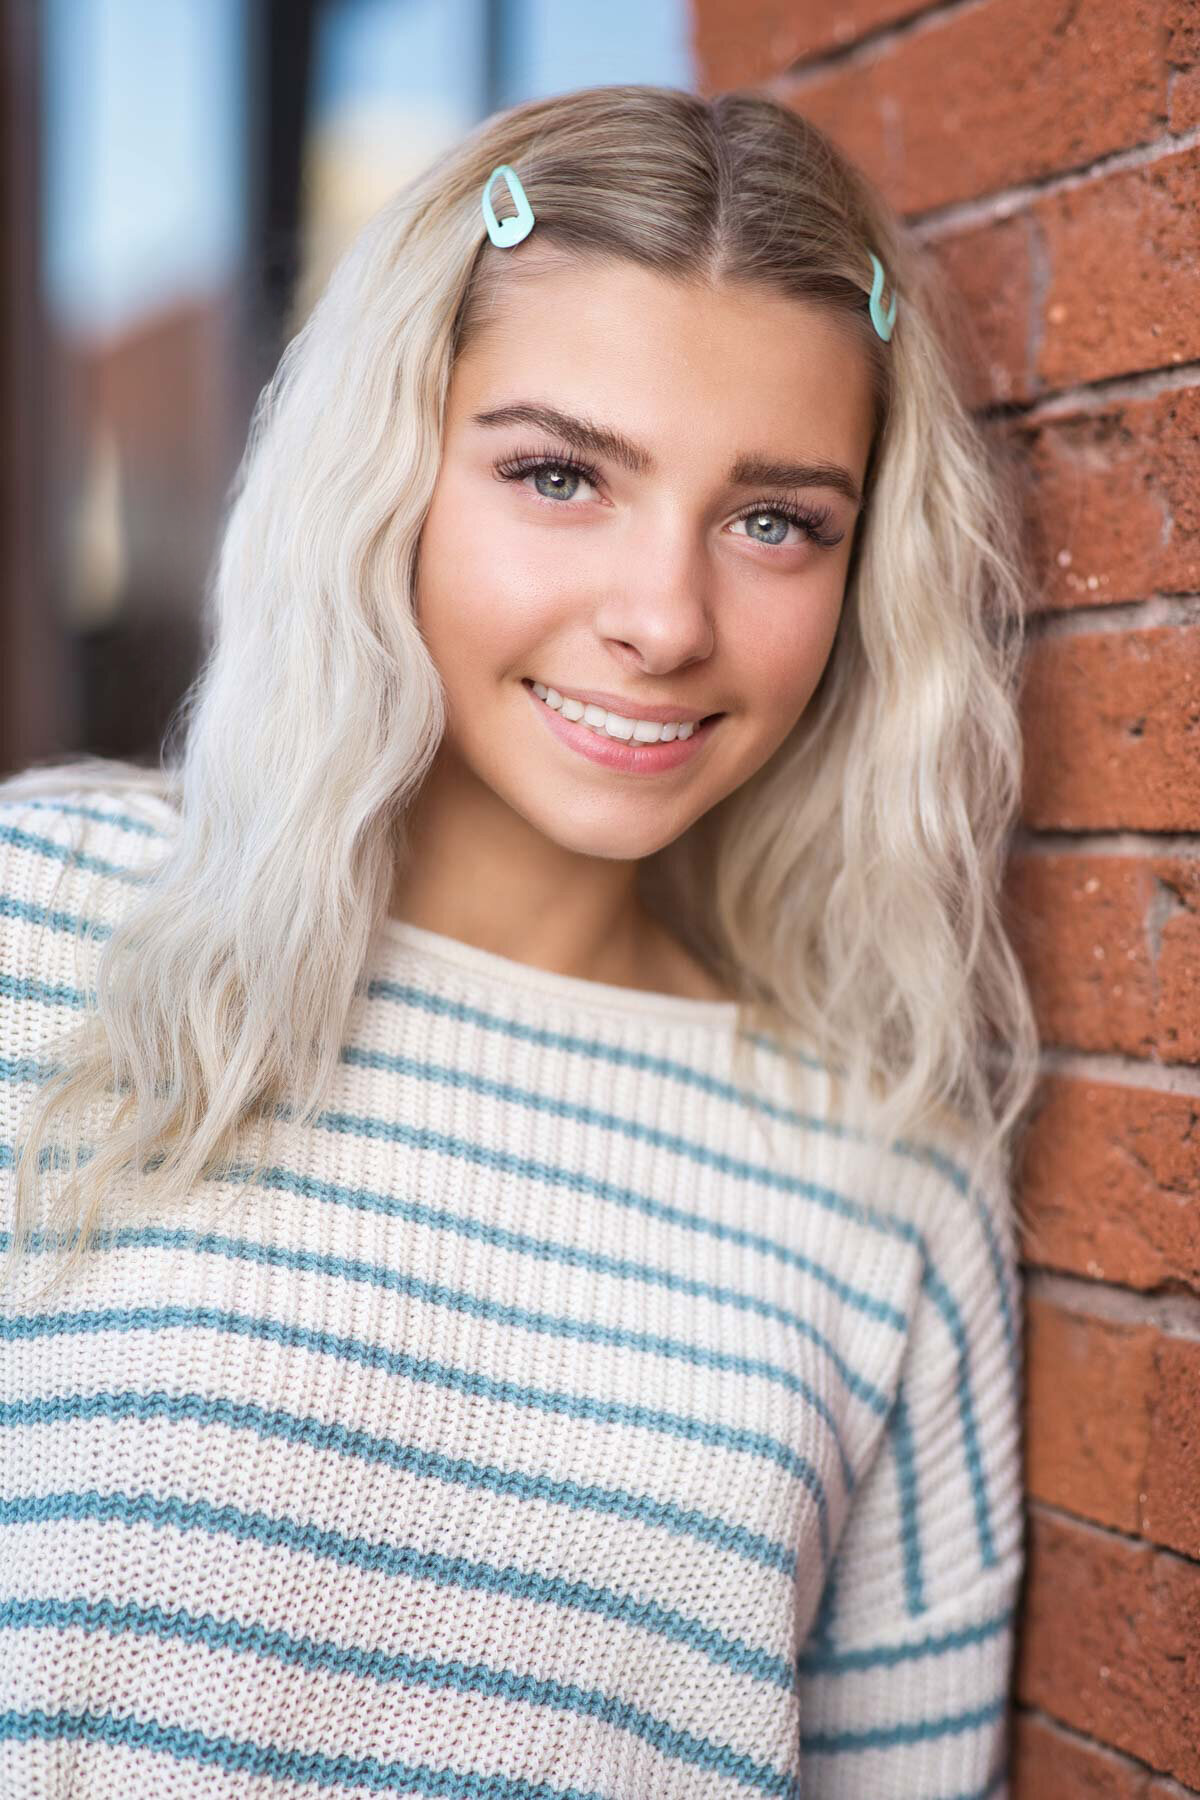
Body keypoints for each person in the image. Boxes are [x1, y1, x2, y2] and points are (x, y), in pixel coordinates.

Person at [0, 83, 1040, 1798]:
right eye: (561, 475)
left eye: (776, 519)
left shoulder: (885, 1183)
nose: (662, 617)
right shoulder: (46, 924)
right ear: (391, 472)